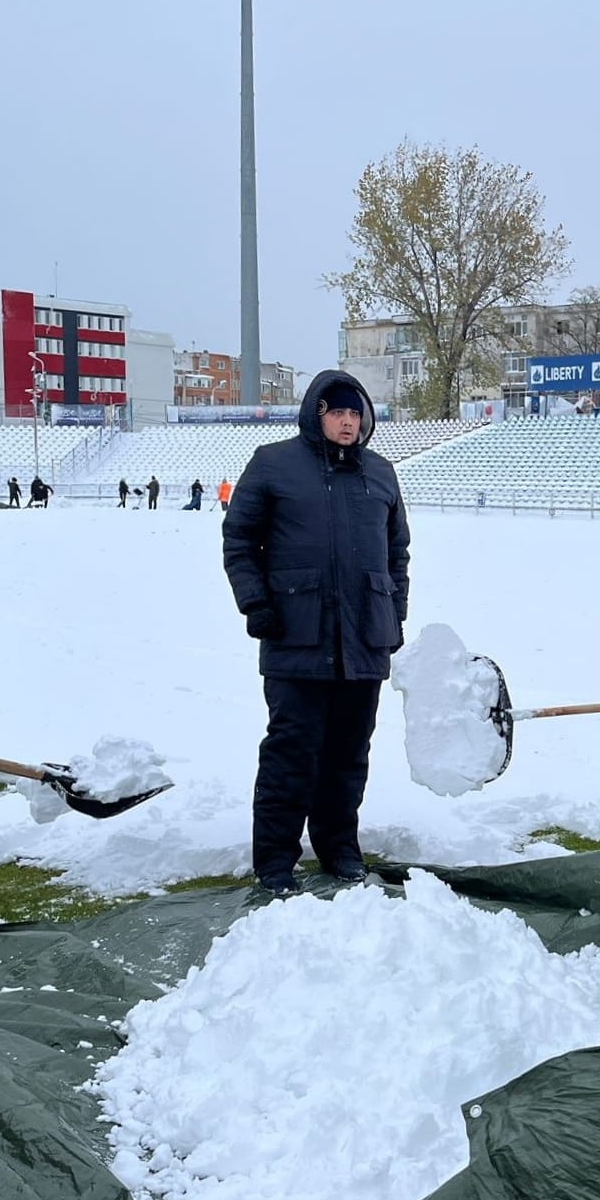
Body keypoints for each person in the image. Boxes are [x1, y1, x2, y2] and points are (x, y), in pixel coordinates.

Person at [223, 370, 410, 896]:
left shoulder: (381, 472)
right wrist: (256, 604)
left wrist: (394, 614)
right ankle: (276, 860)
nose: (348, 422)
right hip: (295, 634)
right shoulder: (273, 464)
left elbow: (397, 553)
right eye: (337, 412)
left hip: (364, 640)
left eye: (355, 414)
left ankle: (339, 848)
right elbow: (239, 540)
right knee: (292, 751)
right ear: (316, 413)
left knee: (348, 754)